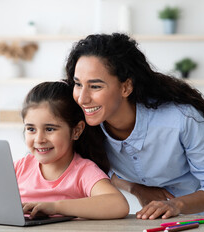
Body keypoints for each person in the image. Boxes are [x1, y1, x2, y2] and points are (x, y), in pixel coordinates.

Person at [64, 32, 204, 219]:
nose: (82, 98)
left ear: (126, 87)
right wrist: (136, 188)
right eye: (78, 84)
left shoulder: (179, 120)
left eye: (95, 86)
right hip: (195, 206)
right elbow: (99, 169)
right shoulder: (88, 125)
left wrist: (176, 205)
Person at [14, 81, 129, 220]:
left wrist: (55, 207)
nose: (39, 139)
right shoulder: (19, 168)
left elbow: (119, 205)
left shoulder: (83, 171)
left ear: (76, 130)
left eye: (50, 129)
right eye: (31, 129)